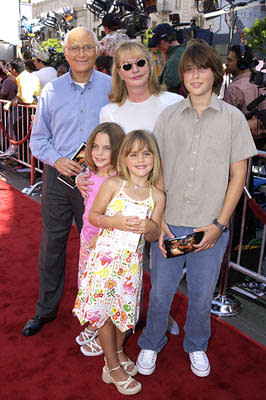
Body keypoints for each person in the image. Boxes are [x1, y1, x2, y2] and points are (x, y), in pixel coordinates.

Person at [136, 39, 257, 378]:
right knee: (160, 292)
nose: (195, 75)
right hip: (171, 225)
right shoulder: (168, 116)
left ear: (214, 72)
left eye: (202, 68)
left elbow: (238, 175)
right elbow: (155, 171)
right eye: (188, 69)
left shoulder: (233, 119)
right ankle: (150, 342)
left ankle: (197, 345)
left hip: (209, 228)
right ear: (182, 74)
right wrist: (158, 222)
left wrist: (219, 225)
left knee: (202, 297)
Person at [78, 40, 183, 339]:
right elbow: (102, 156)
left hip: (166, 197)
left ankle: (160, 314)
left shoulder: (174, 102)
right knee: (127, 266)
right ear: (118, 73)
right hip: (124, 204)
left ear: (151, 66)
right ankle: (117, 318)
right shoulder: (110, 111)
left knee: (164, 265)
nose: (134, 69)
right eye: (126, 65)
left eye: (140, 62)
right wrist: (82, 176)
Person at [22, 26, 112, 337]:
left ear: (97, 50)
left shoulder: (112, 88)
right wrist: (57, 160)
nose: (81, 54)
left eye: (87, 47)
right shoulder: (52, 91)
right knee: (52, 245)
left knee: (98, 247)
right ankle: (45, 309)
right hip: (58, 178)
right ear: (66, 52)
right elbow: (37, 140)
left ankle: (96, 312)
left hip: (98, 182)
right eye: (75, 48)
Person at [73, 130, 165, 395]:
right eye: (133, 153)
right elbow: (94, 216)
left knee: (123, 314)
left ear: (154, 159)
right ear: (124, 158)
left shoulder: (157, 196)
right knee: (103, 312)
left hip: (131, 266)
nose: (140, 159)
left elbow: (155, 233)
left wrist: (148, 225)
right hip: (104, 261)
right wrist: (118, 222)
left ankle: (116, 351)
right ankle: (111, 366)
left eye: (146, 153)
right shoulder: (115, 186)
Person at [75, 122, 125, 355]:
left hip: (106, 246)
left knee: (106, 291)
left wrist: (101, 239)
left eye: (107, 148)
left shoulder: (119, 180)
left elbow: (118, 216)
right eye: (95, 146)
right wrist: (77, 180)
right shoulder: (89, 173)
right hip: (86, 241)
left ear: (118, 150)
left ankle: (107, 334)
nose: (99, 153)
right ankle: (96, 324)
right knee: (88, 286)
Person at [224, 44, 266, 137]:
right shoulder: (262, 80)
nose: (226, 63)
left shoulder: (234, 89)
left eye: (230, 60)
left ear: (241, 64)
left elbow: (227, 125)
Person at [148, 23, 186, 94]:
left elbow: (167, 88)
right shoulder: (182, 50)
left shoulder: (174, 60)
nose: (157, 46)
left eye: (159, 43)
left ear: (169, 39)